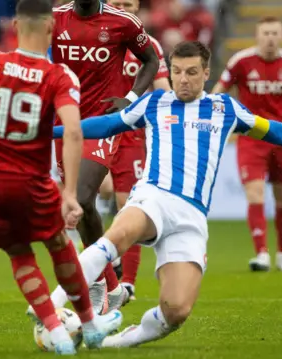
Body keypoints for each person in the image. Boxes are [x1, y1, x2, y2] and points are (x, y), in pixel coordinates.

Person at [51, 40, 282, 348]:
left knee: (176, 310)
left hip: (192, 215)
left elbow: (277, 130)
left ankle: (110, 341)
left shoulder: (225, 109)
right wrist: (49, 133)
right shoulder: (153, 103)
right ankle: (50, 309)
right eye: (177, 71)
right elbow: (103, 125)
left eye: (192, 72)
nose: (183, 79)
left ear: (207, 74)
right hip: (153, 195)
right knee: (117, 237)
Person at [0, 0, 122, 354]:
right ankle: (89, 323)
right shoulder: (59, 76)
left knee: (18, 253)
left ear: (16, 27)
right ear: (51, 28)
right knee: (58, 244)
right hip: (29, 181)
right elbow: (72, 131)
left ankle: (54, 330)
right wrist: (69, 192)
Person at [50, 0, 160, 313]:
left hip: (102, 123)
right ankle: (111, 284)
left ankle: (99, 280)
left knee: (83, 197)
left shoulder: (122, 22)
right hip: (64, 123)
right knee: (76, 210)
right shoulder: (55, 19)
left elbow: (150, 60)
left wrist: (130, 98)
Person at [211, 16, 282, 272]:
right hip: (250, 137)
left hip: (281, 137)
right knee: (255, 192)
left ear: (281, 36)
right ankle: (261, 254)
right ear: (257, 36)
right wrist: (215, 119)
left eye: (274, 33)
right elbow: (219, 92)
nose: (270, 38)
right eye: (266, 33)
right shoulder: (241, 61)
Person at [105, 0, 172, 301]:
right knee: (99, 192)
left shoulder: (150, 46)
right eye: (117, 3)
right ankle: (108, 258)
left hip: (132, 135)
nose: (124, 8)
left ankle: (127, 283)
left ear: (138, 8)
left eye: (128, 4)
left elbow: (163, 90)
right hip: (97, 127)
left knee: (126, 203)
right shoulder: (98, 36)